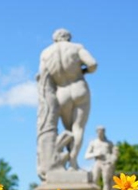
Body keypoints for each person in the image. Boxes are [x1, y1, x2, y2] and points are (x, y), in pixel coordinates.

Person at [36, 28, 97, 179]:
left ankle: (63, 158)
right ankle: (74, 163)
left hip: (61, 92)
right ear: (68, 37)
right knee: (78, 128)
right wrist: (83, 72)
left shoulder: (46, 53)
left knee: (68, 129)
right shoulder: (77, 48)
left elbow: (42, 76)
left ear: (55, 38)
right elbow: (93, 64)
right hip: (78, 87)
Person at [84, 126, 118, 190]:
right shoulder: (93, 142)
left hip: (106, 163)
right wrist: (96, 154)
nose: (100, 133)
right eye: (99, 131)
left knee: (106, 181)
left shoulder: (109, 143)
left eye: (102, 131)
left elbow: (114, 154)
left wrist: (112, 160)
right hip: (97, 162)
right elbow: (86, 156)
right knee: (95, 180)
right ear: (96, 132)